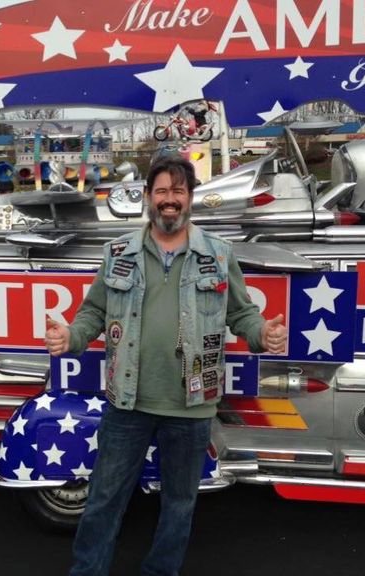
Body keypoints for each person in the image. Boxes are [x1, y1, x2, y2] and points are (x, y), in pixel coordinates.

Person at [45, 156, 287, 576]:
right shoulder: (117, 252)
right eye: (161, 191)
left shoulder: (218, 254)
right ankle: (87, 571)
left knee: (179, 503)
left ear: (190, 198)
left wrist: (262, 334)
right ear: (148, 198)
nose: (169, 200)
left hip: (191, 405)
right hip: (127, 401)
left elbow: (242, 315)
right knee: (104, 498)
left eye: (178, 191)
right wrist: (71, 338)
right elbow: (92, 314)